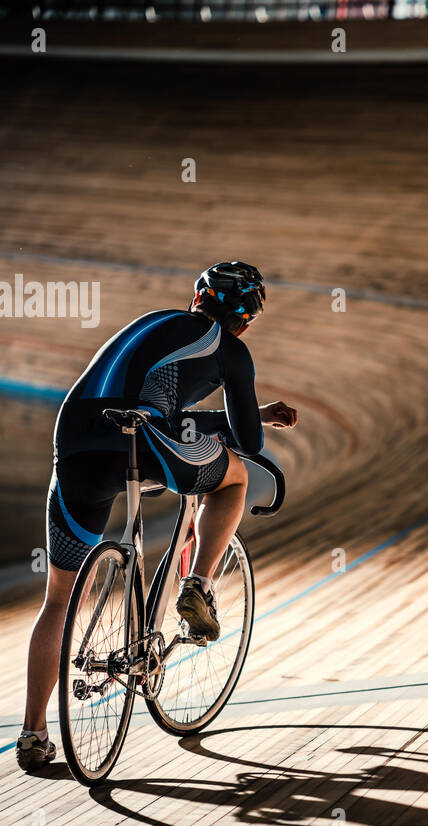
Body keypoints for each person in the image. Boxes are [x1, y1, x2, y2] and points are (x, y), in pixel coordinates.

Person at [16, 261, 298, 771]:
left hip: (78, 441)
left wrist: (243, 415)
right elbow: (249, 442)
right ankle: (199, 584)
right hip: (149, 441)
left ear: (196, 296)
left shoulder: (150, 321)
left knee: (58, 597)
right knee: (233, 476)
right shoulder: (231, 348)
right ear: (248, 321)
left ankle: (33, 734)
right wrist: (249, 420)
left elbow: (149, 403)